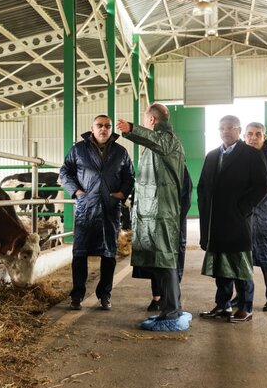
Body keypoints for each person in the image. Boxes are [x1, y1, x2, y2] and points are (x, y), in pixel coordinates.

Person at [116, 103, 191, 331]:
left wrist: (131, 129)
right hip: (153, 214)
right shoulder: (158, 143)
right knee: (160, 261)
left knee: (166, 260)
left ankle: (172, 311)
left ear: (151, 121)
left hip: (163, 214)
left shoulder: (167, 139)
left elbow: (155, 140)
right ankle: (169, 308)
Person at [198, 115, 267, 323]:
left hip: (238, 219)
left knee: (240, 264)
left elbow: (262, 186)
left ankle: (245, 307)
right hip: (215, 219)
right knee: (221, 265)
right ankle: (223, 306)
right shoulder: (211, 155)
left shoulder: (251, 155)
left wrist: (243, 208)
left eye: (230, 128)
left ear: (238, 130)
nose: (225, 131)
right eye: (221, 128)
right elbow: (203, 186)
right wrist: (205, 211)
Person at [60, 114, 135, 310]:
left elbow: (130, 176)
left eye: (107, 126)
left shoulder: (121, 152)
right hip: (86, 208)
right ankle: (77, 295)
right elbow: (65, 171)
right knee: (79, 254)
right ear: (92, 128)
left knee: (109, 255)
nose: (103, 129)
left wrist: (122, 193)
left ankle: (105, 295)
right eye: (99, 125)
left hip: (110, 209)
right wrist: (76, 191)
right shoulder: (79, 149)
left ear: (111, 129)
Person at [241, 122, 267, 311]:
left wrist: (250, 197)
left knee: (266, 253)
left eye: (258, 134)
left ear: (264, 137)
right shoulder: (239, 156)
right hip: (242, 213)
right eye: (250, 134)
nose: (253, 138)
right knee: (241, 255)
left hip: (264, 213)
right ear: (244, 136)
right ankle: (241, 295)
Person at [144, 165, 192, 312]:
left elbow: (186, 196)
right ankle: (157, 296)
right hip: (154, 219)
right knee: (155, 256)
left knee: (174, 257)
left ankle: (173, 297)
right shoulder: (151, 165)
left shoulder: (180, 167)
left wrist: (176, 219)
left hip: (174, 221)